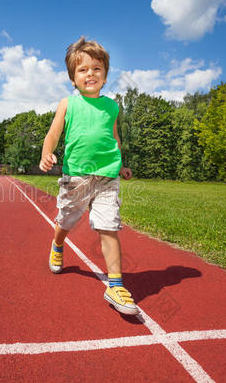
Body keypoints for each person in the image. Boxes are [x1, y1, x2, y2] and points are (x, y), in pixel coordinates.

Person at [39, 36, 138, 315]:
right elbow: (53, 134)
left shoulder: (112, 107)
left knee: (109, 226)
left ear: (105, 76)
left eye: (96, 68)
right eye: (83, 70)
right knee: (67, 219)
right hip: (76, 177)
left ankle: (115, 284)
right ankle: (58, 243)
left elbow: (113, 139)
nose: (90, 74)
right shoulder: (67, 104)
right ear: (73, 78)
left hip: (107, 177)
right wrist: (47, 153)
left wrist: (119, 165)